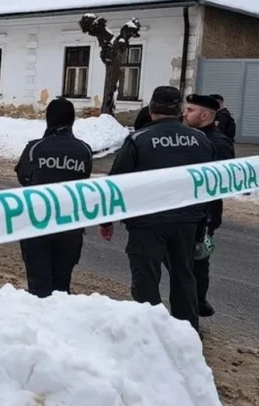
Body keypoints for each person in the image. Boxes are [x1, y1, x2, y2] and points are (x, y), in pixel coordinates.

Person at [100, 86, 215, 332]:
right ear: (180, 110)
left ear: (151, 109)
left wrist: (106, 220)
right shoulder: (201, 140)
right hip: (187, 222)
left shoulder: (138, 140)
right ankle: (187, 335)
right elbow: (209, 184)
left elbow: (116, 184)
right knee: (184, 276)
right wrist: (203, 222)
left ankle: (151, 334)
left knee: (146, 279)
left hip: (146, 224)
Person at [14, 98, 93, 298]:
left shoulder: (35, 148)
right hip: (70, 227)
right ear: (72, 120)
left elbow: (23, 177)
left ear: (48, 119)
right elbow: (84, 179)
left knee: (39, 288)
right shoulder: (84, 150)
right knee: (61, 287)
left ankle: (40, 326)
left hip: (36, 226)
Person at [183, 94, 236, 318]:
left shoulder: (218, 143)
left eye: (190, 110)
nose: (184, 114)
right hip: (187, 210)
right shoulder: (189, 137)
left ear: (205, 115)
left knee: (197, 263)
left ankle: (196, 305)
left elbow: (220, 182)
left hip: (204, 214)